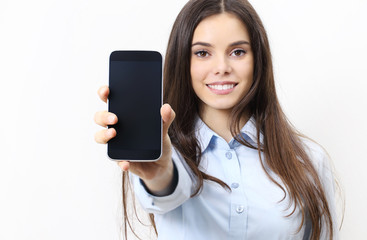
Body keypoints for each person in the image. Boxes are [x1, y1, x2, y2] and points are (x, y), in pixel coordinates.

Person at [94, 0, 339, 239]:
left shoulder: (309, 160)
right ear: (183, 62)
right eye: (202, 53)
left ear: (258, 60)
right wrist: (157, 173)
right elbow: (165, 187)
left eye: (238, 52)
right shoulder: (161, 152)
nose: (221, 67)